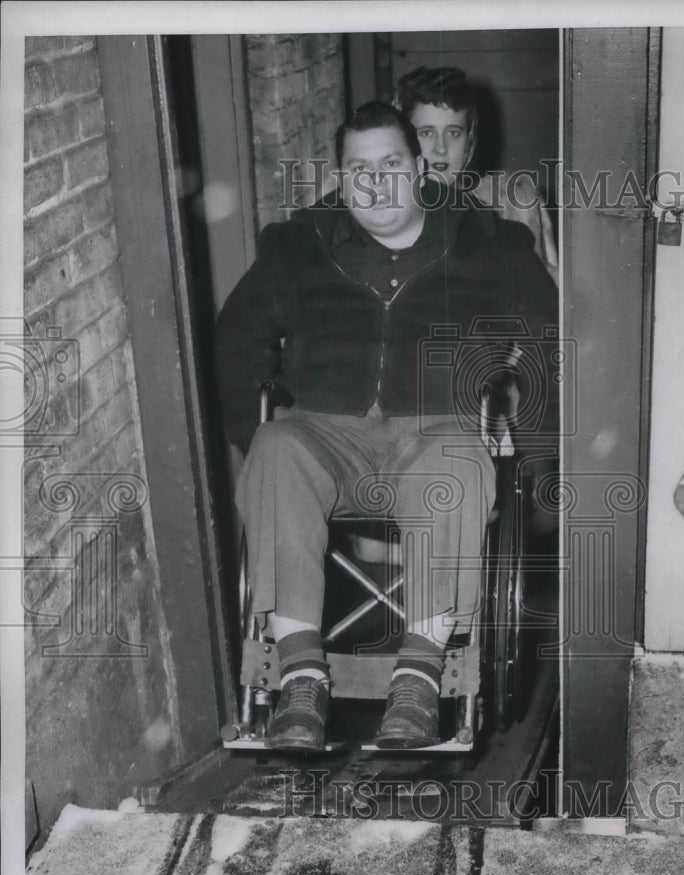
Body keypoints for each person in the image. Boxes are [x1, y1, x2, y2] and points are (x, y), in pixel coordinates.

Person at [215, 101, 557, 753]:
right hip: (327, 433)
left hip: (440, 429)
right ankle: (301, 676)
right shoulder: (299, 245)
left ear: (421, 165)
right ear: (340, 178)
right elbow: (238, 339)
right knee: (277, 447)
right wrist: (248, 439)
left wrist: (535, 461)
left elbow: (547, 344)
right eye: (358, 168)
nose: (375, 184)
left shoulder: (492, 243)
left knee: (454, 464)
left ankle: (419, 677)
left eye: (391, 163)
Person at [396, 65, 559, 284]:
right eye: (426, 133)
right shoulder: (381, 214)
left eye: (453, 133)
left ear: (469, 141)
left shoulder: (504, 201)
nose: (441, 148)